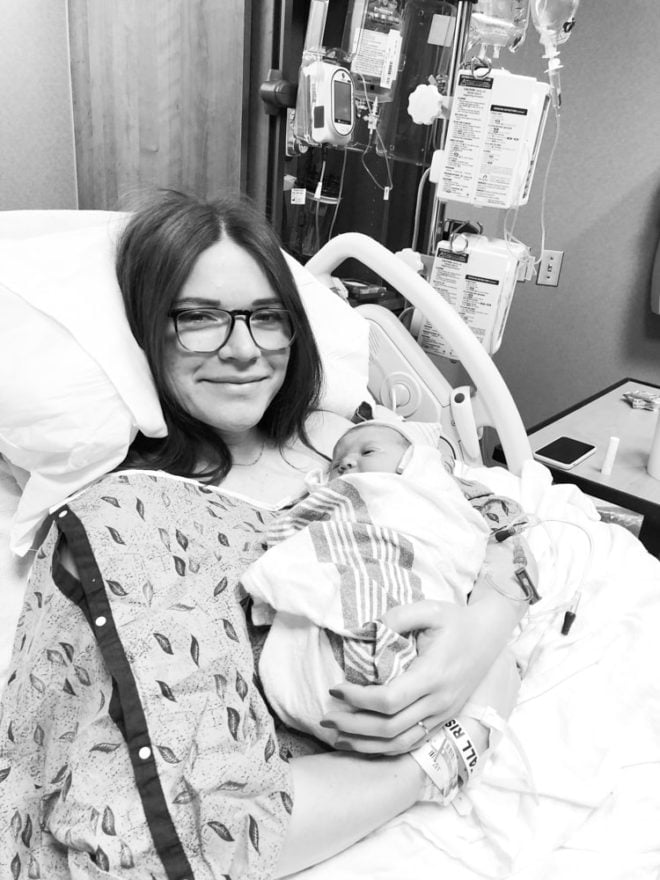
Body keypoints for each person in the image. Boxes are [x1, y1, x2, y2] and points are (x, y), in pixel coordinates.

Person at [0, 190, 530, 880]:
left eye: (267, 317)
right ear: (142, 332)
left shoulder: (347, 435)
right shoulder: (134, 517)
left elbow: (508, 526)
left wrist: (486, 628)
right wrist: (455, 740)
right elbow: (211, 834)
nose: (245, 350)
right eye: (197, 318)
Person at [242, 420, 529, 749]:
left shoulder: (437, 491)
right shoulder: (339, 496)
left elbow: (497, 540)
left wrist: (487, 627)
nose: (349, 463)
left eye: (368, 451)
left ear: (414, 460)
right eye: (338, 464)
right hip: (357, 556)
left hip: (414, 570)